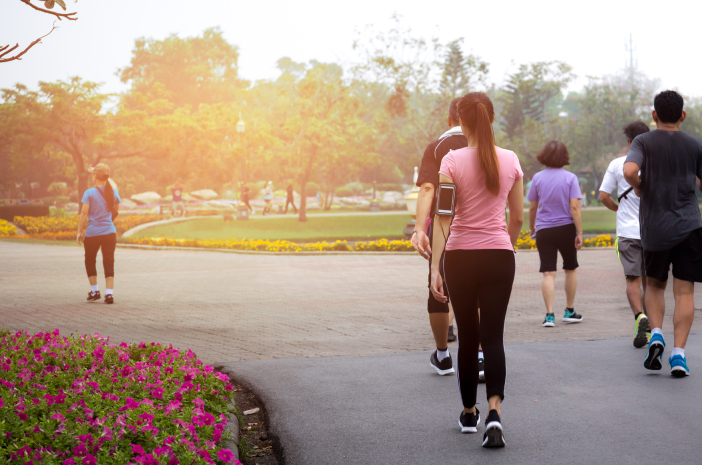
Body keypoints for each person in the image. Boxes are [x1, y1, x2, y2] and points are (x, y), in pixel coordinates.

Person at [430, 92, 523, 448]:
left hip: (460, 258)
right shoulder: (511, 159)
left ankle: (470, 412)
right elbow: (516, 217)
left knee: (468, 338)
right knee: (493, 337)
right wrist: (504, 244)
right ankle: (494, 412)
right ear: (492, 120)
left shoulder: (451, 161)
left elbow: (443, 216)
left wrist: (435, 269)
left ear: (461, 122)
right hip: (500, 256)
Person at [624, 90, 702, 377]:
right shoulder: (695, 145)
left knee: (655, 286)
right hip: (689, 227)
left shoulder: (643, 141)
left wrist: (640, 186)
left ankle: (656, 334)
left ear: (654, 115)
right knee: (685, 292)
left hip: (655, 228)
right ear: (682, 115)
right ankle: (679, 356)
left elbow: (629, 169)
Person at [411, 97, 466, 376]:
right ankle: (479, 355)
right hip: (480, 227)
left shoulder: (436, 147)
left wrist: (420, 228)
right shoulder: (485, 147)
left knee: (438, 285)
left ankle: (443, 355)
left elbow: (427, 189)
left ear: (448, 120)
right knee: (477, 290)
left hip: (443, 227)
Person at [599, 121, 651, 348]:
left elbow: (603, 195)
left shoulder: (618, 164)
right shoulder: (654, 163)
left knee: (633, 279)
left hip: (627, 233)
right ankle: (652, 331)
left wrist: (616, 208)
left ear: (629, 141)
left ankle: (639, 317)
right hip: (653, 231)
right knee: (653, 284)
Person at [528, 141, 583, 327]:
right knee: (570, 268)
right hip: (566, 228)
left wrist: (532, 228)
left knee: (548, 273)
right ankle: (569, 310)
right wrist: (579, 232)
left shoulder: (537, 178)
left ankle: (549, 315)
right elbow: (575, 206)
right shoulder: (571, 178)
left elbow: (532, 207)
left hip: (544, 230)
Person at [76, 163, 121, 304]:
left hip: (92, 233)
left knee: (90, 260)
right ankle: (109, 294)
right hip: (109, 232)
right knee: (108, 262)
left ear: (95, 176)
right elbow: (116, 209)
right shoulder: (113, 192)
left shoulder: (89, 193)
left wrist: (79, 231)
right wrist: (108, 220)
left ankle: (95, 291)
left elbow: (84, 213)